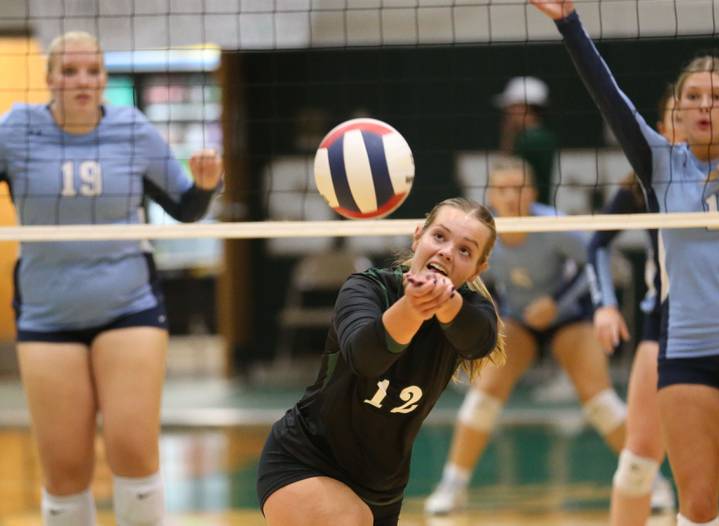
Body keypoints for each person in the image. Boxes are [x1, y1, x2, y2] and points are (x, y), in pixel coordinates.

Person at [530, 1, 719, 525]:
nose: (704, 105)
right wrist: (568, 21)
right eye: (693, 96)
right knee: (697, 508)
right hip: (687, 352)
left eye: (717, 97)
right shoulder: (656, 163)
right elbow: (608, 96)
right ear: (677, 107)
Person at [0, 32, 222, 525]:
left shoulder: (131, 129)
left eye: (92, 72)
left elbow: (186, 206)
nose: (81, 81)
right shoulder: (17, 130)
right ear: (49, 78)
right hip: (46, 314)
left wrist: (207, 185)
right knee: (64, 467)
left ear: (103, 78)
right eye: (69, 71)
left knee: (132, 449)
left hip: (128, 307)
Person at [589, 87, 719, 525]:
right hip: (668, 327)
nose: (693, 118)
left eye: (704, 107)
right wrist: (604, 304)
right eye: (679, 114)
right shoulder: (644, 183)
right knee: (639, 461)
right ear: (660, 129)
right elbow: (596, 244)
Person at [256, 197, 504, 526]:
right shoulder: (366, 288)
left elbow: (479, 342)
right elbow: (365, 358)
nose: (447, 251)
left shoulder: (472, 312)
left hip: (383, 490)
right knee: (349, 519)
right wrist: (413, 308)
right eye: (440, 237)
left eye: (465, 251)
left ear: (478, 268)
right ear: (418, 237)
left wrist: (443, 303)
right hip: (305, 461)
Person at [425, 156, 636, 515]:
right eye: (503, 189)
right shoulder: (482, 231)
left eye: (519, 188)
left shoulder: (554, 225)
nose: (511, 196)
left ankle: (646, 481)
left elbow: (598, 262)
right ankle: (453, 486)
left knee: (598, 399)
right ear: (491, 194)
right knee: (485, 393)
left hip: (570, 316)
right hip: (518, 319)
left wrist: (557, 302)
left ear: (533, 192)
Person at [495, 76, 559, 204]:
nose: (507, 112)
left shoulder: (530, 140)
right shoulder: (541, 136)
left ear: (524, 108)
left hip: (529, 210)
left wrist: (508, 136)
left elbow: (506, 173)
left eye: (511, 107)